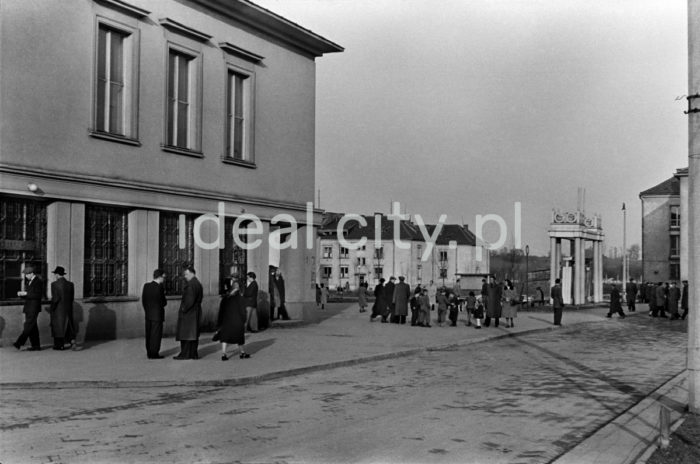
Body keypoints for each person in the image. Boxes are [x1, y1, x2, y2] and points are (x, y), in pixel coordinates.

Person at [174, 266, 203, 360]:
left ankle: (185, 354)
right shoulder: (197, 283)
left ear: (191, 273)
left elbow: (189, 300)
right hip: (195, 312)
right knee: (193, 335)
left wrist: (183, 308)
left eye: (186, 274)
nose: (185, 276)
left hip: (189, 314)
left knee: (186, 334)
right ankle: (193, 354)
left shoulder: (191, 285)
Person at [217, 280, 250, 360]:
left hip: (226, 320)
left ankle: (224, 354)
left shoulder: (226, 298)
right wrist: (244, 320)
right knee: (239, 338)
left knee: (225, 337)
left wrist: (219, 322)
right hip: (237, 321)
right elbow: (243, 311)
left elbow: (221, 311)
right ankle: (242, 353)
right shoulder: (240, 298)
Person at [13, 266, 44, 351]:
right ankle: (36, 346)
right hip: (30, 307)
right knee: (33, 327)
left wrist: (25, 293)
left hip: (33, 308)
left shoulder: (38, 282)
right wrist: (22, 295)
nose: (26, 276)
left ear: (32, 273)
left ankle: (19, 342)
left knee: (28, 325)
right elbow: (31, 295)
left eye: (27, 274)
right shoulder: (30, 281)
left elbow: (37, 295)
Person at [46, 266, 75, 351]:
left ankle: (59, 345)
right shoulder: (70, 284)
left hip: (58, 309)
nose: (55, 275)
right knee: (68, 326)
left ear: (57, 274)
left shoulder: (54, 284)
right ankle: (72, 341)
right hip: (68, 309)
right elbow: (72, 298)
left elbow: (55, 298)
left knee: (58, 327)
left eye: (55, 274)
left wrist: (51, 308)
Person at [142, 269, 167, 359]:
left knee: (148, 334)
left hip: (148, 315)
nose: (164, 279)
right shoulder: (160, 287)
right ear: (159, 277)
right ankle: (154, 353)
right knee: (156, 336)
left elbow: (144, 301)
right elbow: (163, 302)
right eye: (163, 277)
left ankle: (149, 352)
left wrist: (147, 311)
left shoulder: (146, 286)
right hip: (157, 315)